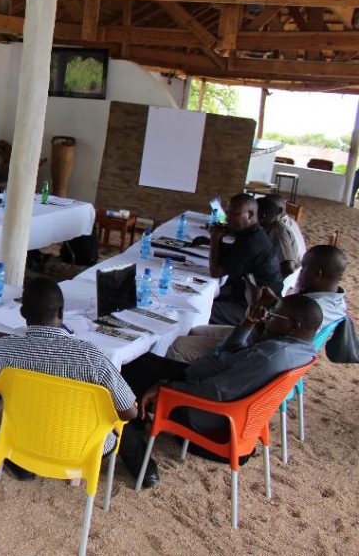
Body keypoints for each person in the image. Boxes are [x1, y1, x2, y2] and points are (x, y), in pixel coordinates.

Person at [120, 293, 321, 487]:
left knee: (126, 372)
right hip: (203, 381)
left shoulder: (273, 356)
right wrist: (248, 324)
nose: (267, 318)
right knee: (140, 360)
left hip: (204, 409)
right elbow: (228, 354)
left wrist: (166, 386)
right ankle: (139, 420)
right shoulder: (300, 349)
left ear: (294, 326)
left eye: (274, 315)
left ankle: (135, 446)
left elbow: (216, 392)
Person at [0, 278, 137, 480]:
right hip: (81, 448)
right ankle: (143, 469)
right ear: (61, 313)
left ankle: (22, 464)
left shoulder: (3, 350)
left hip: (22, 440)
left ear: (22, 313)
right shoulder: (91, 357)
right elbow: (129, 413)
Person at [168, 245, 348, 362]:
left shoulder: (317, 309)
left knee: (176, 346)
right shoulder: (332, 299)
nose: (299, 273)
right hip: (258, 337)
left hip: (257, 350)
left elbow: (274, 338)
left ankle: (178, 390)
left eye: (304, 268)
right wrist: (275, 304)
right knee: (195, 330)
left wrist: (257, 308)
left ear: (318, 274)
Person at [207, 193, 282, 325]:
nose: (228, 217)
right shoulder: (250, 234)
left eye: (234, 214)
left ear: (250, 214)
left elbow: (216, 272)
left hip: (255, 309)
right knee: (203, 298)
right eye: (228, 212)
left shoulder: (252, 243)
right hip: (240, 295)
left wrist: (215, 239)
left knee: (203, 310)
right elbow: (230, 256)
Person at [257, 194, 306, 278]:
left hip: (289, 278)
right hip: (296, 271)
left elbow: (289, 268)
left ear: (279, 210)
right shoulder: (290, 221)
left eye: (267, 207)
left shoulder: (278, 230)